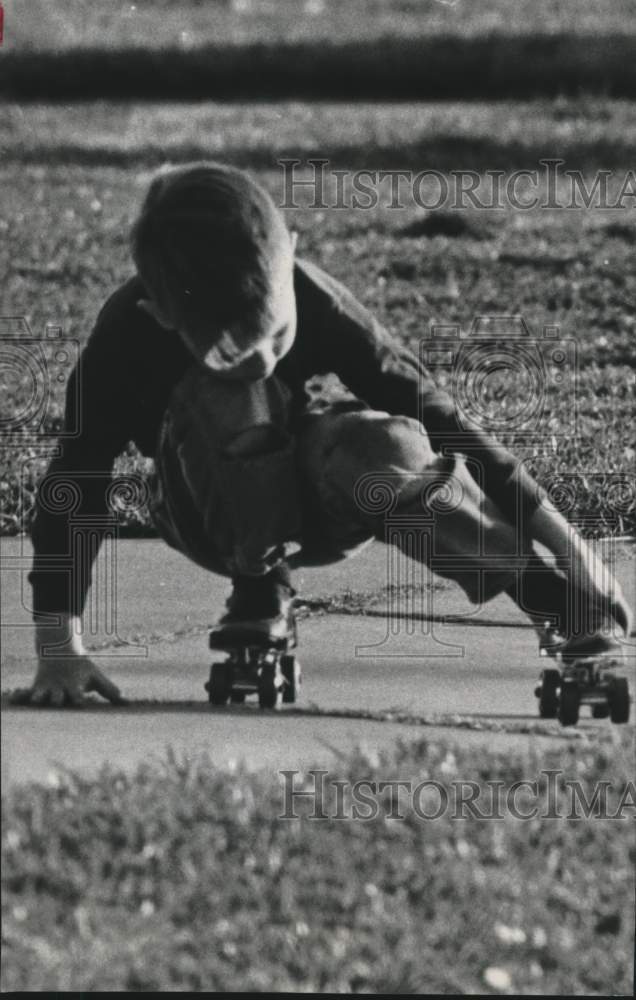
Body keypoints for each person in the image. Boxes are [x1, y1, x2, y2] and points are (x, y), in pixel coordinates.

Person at [18, 162, 631, 707]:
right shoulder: (125, 337)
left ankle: (548, 596)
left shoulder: (313, 295)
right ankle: (260, 591)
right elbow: (75, 482)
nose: (259, 358)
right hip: (202, 511)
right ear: (162, 315)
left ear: (291, 252)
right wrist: (58, 648)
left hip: (327, 494)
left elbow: (436, 413)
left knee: (387, 445)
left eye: (277, 334)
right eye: (229, 350)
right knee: (227, 397)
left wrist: (565, 540)